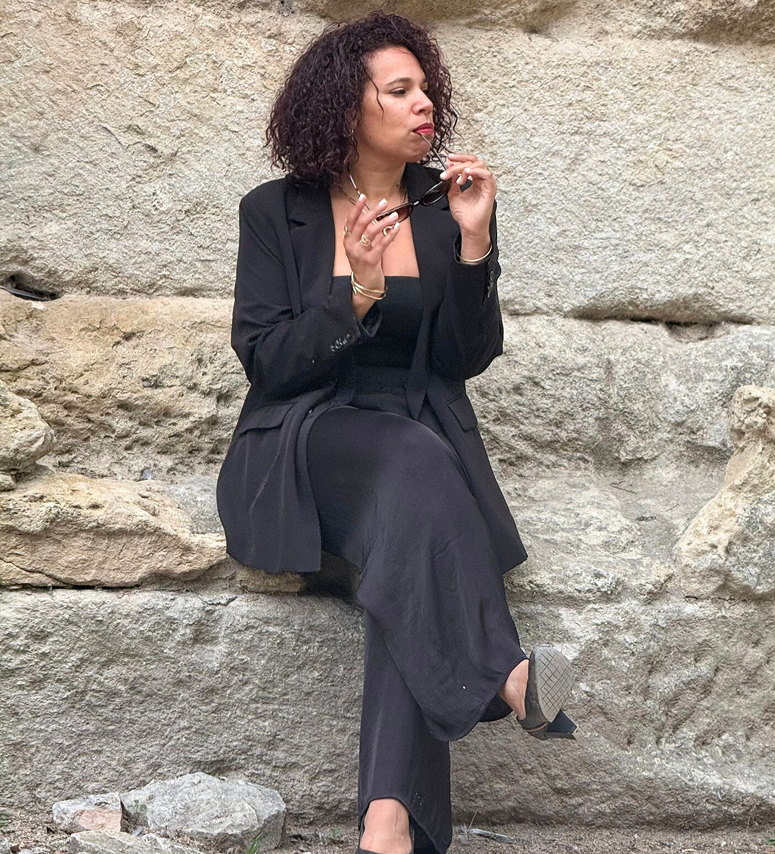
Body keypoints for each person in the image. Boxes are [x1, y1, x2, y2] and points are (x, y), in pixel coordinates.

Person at [215, 11, 579, 854]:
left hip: (415, 455)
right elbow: (267, 361)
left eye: (426, 90)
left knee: (405, 572)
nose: (426, 106)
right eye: (400, 90)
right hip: (305, 439)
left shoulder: (445, 211)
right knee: (415, 464)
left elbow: (464, 358)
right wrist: (359, 291)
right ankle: (507, 673)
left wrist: (476, 244)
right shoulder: (275, 212)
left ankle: (387, 825)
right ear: (348, 106)